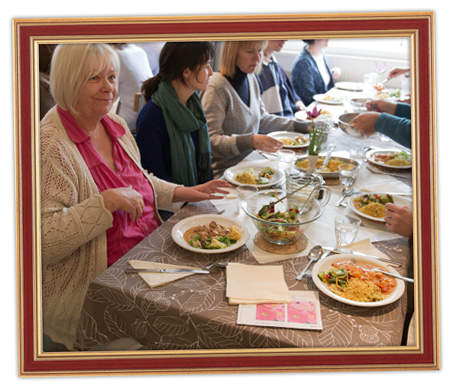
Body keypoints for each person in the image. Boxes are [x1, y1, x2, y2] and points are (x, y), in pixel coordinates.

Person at [41, 43, 230, 350]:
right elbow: (43, 241)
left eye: (112, 77)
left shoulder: (113, 124)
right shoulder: (50, 145)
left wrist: (186, 192)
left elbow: (139, 183)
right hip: (103, 287)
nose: (109, 88)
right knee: (197, 330)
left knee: (220, 287)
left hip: (150, 256)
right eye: (95, 78)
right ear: (68, 80)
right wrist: (106, 202)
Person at [200, 40, 307, 178]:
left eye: (260, 51)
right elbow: (210, 142)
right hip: (225, 173)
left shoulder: (251, 78)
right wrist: (250, 141)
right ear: (232, 53)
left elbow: (262, 119)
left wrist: (303, 126)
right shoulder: (216, 87)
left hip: (250, 164)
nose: (257, 58)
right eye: (250, 52)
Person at [136, 42, 215, 186]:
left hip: (198, 196)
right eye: (206, 66)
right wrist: (194, 197)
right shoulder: (151, 117)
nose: (211, 72)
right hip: (171, 204)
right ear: (186, 72)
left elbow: (203, 166)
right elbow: (156, 181)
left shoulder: (194, 105)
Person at [255, 40, 305, 117]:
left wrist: (297, 100)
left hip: (289, 117)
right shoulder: (258, 70)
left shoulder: (274, 63)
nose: (285, 39)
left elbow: (287, 89)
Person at [110, 43, 153, 131]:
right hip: (146, 112)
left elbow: (109, 95)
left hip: (127, 119)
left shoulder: (115, 55)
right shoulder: (139, 51)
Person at [290, 39, 341, 106]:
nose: (329, 37)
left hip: (321, 104)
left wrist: (331, 74)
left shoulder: (321, 54)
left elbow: (320, 81)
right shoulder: (303, 62)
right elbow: (310, 96)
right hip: (310, 107)